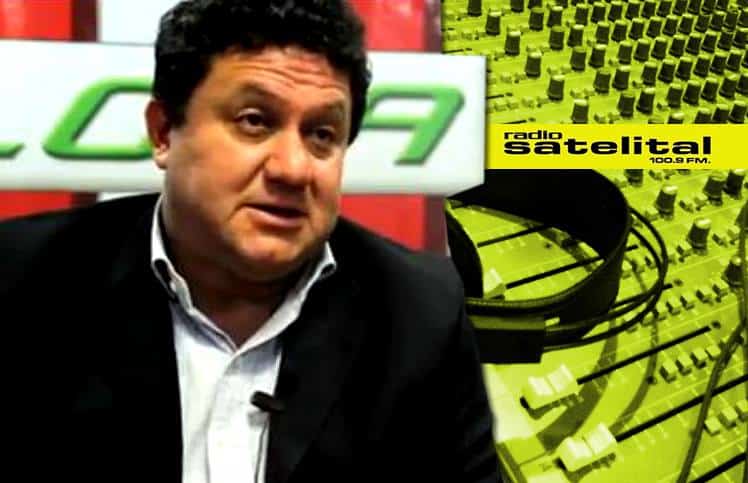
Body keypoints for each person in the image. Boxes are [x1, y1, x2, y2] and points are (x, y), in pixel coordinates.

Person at [0, 1, 500, 482]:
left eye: (322, 134)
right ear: (164, 132)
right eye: (255, 121)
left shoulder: (420, 315)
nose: (293, 169)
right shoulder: (24, 282)